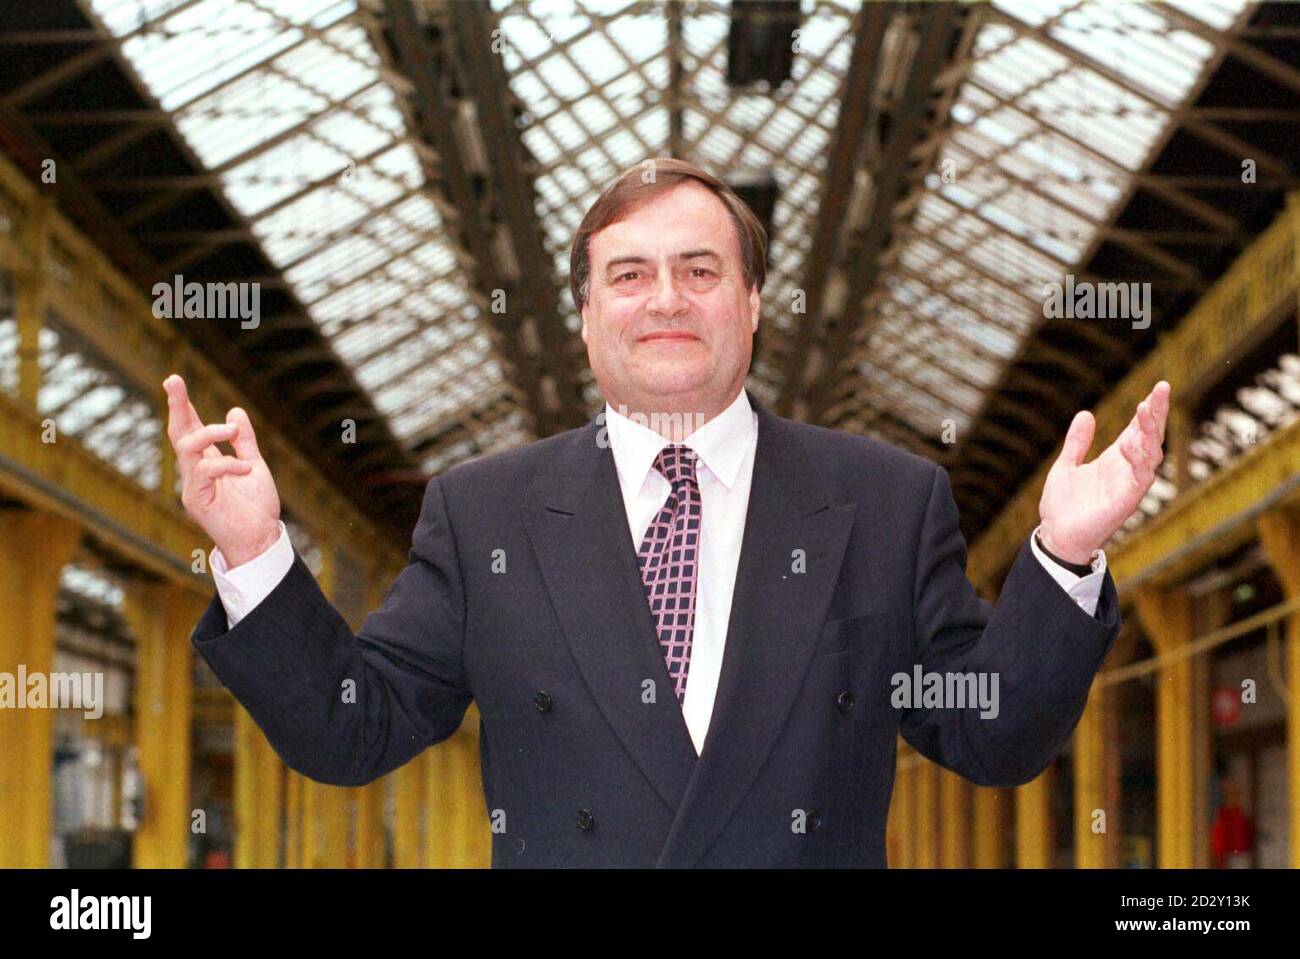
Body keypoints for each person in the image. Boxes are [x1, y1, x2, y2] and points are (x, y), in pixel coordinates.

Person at [166, 158, 1170, 867]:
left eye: (699, 270)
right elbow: (353, 730)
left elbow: (991, 736)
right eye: (629, 275)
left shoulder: (885, 500)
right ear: (586, 314)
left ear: (753, 302)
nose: (665, 299)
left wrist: (1063, 555)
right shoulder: (484, 514)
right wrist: (256, 552)